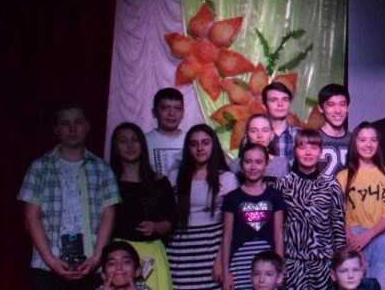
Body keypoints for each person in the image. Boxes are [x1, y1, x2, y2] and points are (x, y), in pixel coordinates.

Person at [20, 102, 120, 290]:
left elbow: (109, 215)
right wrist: (51, 260)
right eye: (65, 123)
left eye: (78, 122)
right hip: (47, 266)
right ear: (56, 129)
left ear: (87, 126)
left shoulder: (102, 168)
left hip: (91, 265)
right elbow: (31, 217)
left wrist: (97, 258)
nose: (72, 129)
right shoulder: (40, 167)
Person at [168, 124, 238, 289]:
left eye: (205, 143)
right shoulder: (174, 176)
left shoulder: (227, 179)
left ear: (213, 145)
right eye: (194, 144)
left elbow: (233, 225)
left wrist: (221, 260)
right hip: (180, 250)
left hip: (212, 248)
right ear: (188, 148)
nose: (200, 148)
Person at [109, 122, 177, 290]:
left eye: (135, 140)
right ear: (116, 147)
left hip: (152, 252)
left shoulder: (160, 182)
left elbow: (173, 220)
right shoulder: (109, 182)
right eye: (123, 141)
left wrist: (155, 226)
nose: (130, 145)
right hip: (120, 255)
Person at [336, 122, 385, 290]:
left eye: (373, 140)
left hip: (383, 236)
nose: (368, 144)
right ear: (355, 143)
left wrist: (369, 234)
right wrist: (352, 242)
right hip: (354, 238)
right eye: (363, 140)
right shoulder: (343, 176)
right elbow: (340, 213)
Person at [278, 129, 348, 290]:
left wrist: (339, 263)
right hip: (292, 264)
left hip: (324, 264)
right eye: (302, 147)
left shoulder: (331, 185)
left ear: (320, 152)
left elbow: (338, 227)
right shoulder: (283, 184)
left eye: (314, 147)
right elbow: (278, 228)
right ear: (295, 151)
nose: (308, 152)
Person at [220, 144, 287, 290]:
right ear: (241, 165)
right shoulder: (232, 198)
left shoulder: (274, 196)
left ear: (266, 166)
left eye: (258, 162)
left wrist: (279, 269)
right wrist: (225, 273)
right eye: (248, 161)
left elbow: (278, 235)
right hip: (239, 265)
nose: (253, 167)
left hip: (268, 266)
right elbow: (227, 237)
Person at [228, 114, 291, 183]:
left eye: (265, 130)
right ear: (246, 135)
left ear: (272, 135)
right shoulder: (235, 165)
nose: (260, 135)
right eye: (254, 131)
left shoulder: (283, 165)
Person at [145, 88, 188, 178]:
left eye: (177, 108)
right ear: (154, 112)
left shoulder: (191, 140)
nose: (172, 113)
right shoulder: (143, 141)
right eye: (165, 108)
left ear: (183, 113)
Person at [316, 83, 353, 176]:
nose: (337, 110)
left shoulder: (354, 140)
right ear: (320, 108)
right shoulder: (312, 139)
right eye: (331, 105)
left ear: (348, 107)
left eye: (342, 104)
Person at [263, 82, 300, 163]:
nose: (280, 104)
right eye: (274, 100)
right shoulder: (254, 135)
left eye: (285, 100)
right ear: (264, 105)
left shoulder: (300, 135)